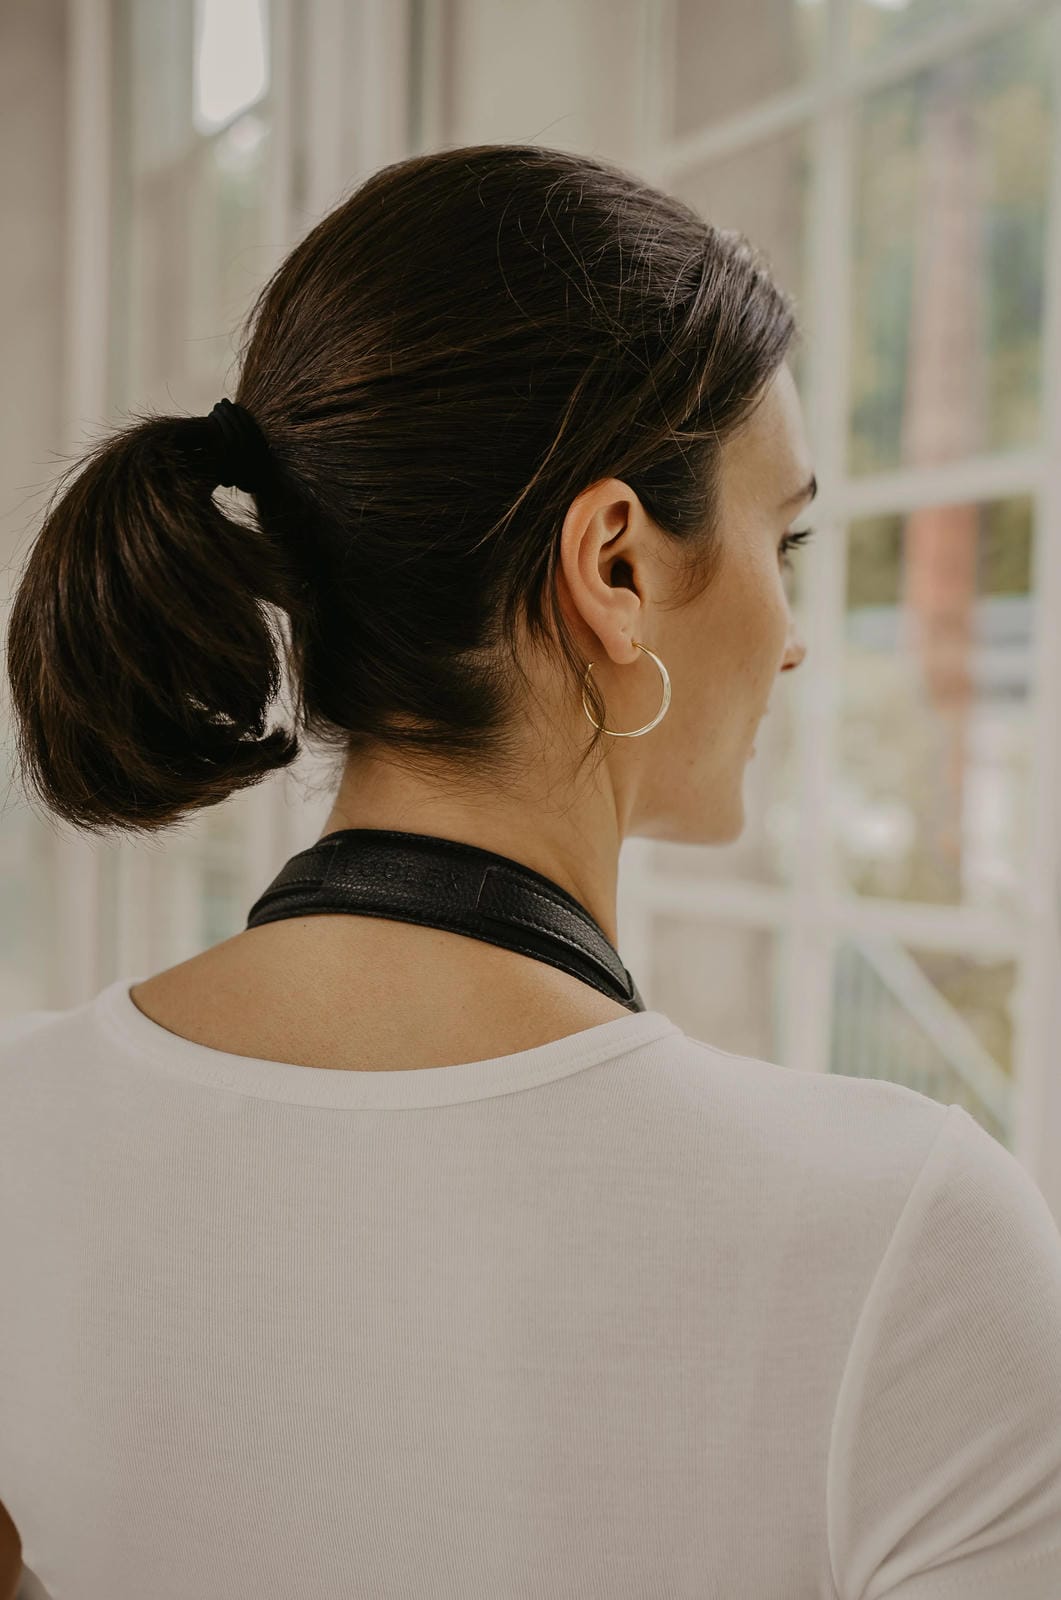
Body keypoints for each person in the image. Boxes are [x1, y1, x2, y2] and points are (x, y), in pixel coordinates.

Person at [2, 143, 1059, 1599]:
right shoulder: (903, 1240)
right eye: (785, 536)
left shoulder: (15, 1133)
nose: (796, 632)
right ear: (612, 566)